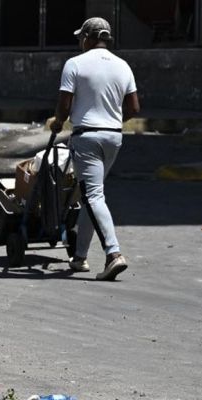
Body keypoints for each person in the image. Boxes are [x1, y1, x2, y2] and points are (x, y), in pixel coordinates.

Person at [51, 17, 139, 281]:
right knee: (91, 195)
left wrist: (57, 122)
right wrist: (111, 123)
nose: (80, 42)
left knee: (93, 196)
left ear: (89, 38)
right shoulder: (123, 66)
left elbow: (64, 105)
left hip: (86, 137)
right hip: (113, 138)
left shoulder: (75, 64)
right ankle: (79, 257)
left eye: (81, 38)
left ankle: (114, 254)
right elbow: (134, 108)